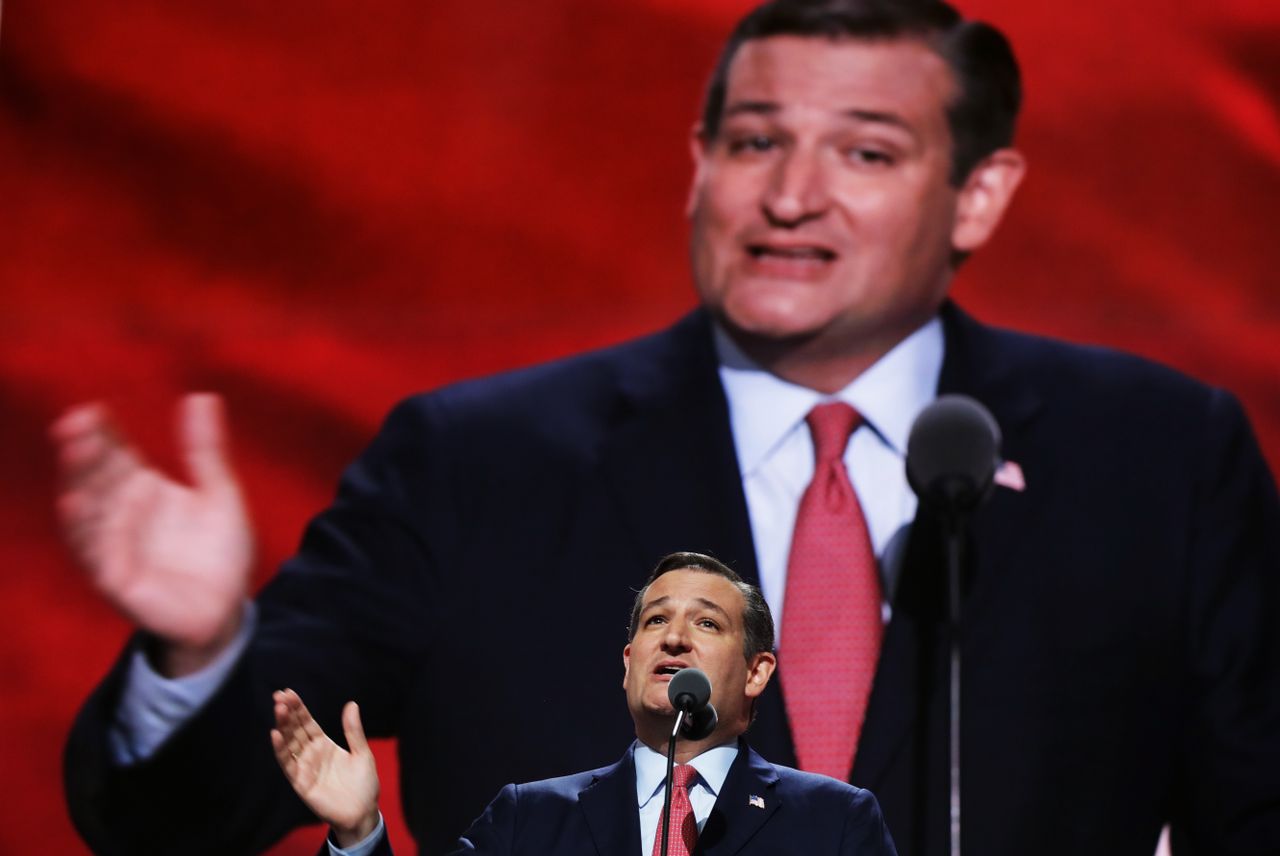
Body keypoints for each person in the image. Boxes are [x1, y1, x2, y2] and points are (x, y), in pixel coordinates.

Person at [56, 0, 1280, 854]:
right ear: (699, 167)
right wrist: (201, 650)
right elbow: (175, 821)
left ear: (978, 193)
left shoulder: (1157, 462)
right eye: (753, 143)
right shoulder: (473, 465)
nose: (789, 196)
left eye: (863, 150)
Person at [269, 554, 897, 855]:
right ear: (629, 664)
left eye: (706, 625)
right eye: (655, 621)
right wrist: (357, 832)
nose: (673, 637)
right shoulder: (529, 821)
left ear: (758, 671)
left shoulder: (832, 823)